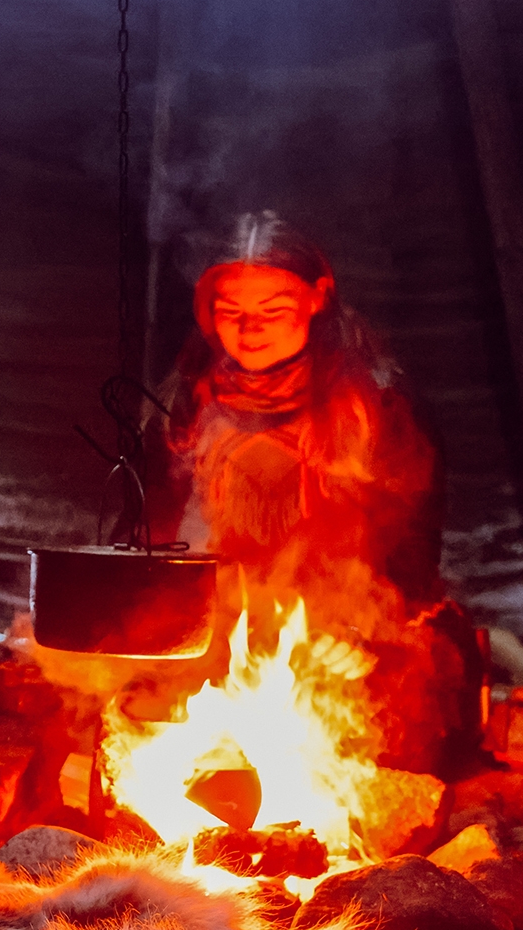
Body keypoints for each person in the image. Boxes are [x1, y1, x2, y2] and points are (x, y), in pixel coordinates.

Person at [146, 212, 467, 770]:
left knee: (388, 727)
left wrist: (368, 626)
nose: (250, 330)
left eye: (273, 311)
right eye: (231, 313)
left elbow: (413, 540)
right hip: (216, 627)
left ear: (317, 299)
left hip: (343, 627)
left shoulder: (376, 402)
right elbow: (152, 529)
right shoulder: (185, 400)